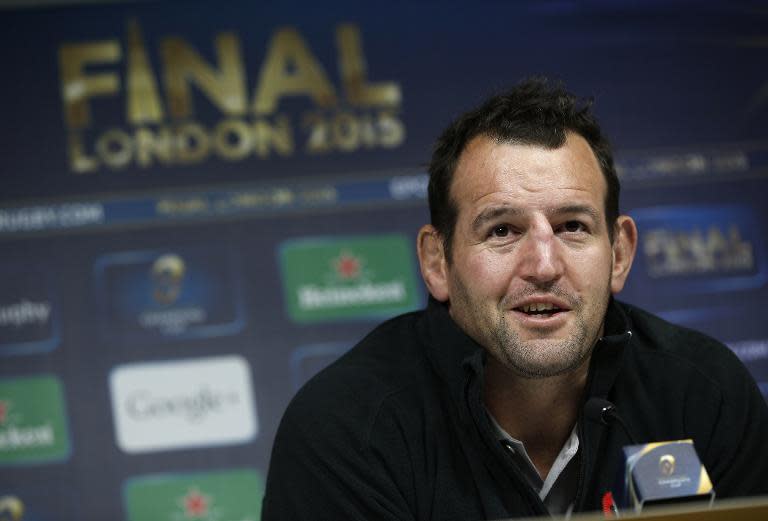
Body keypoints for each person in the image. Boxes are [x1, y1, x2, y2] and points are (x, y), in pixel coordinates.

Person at [262, 78, 768, 520]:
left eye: (573, 226)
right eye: (502, 230)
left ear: (619, 254)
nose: (544, 266)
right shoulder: (347, 431)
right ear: (438, 262)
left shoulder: (705, 396)